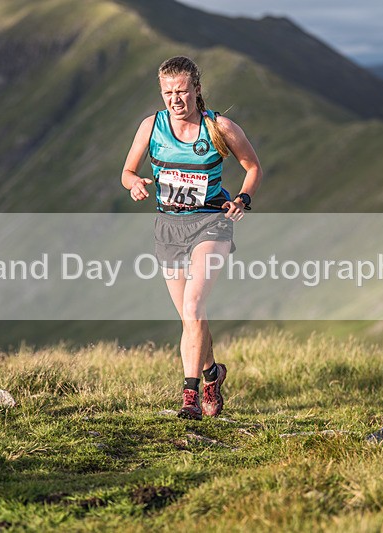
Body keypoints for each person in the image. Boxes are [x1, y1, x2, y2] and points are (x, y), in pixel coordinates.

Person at [121, 56, 263, 420]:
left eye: (182, 91)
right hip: (169, 227)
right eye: (168, 92)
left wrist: (243, 199)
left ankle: (190, 396)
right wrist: (134, 182)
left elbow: (252, 166)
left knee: (194, 306)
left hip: (211, 222)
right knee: (189, 317)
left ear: (197, 90)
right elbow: (127, 170)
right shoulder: (152, 126)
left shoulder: (219, 127)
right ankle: (213, 373)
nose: (175, 99)